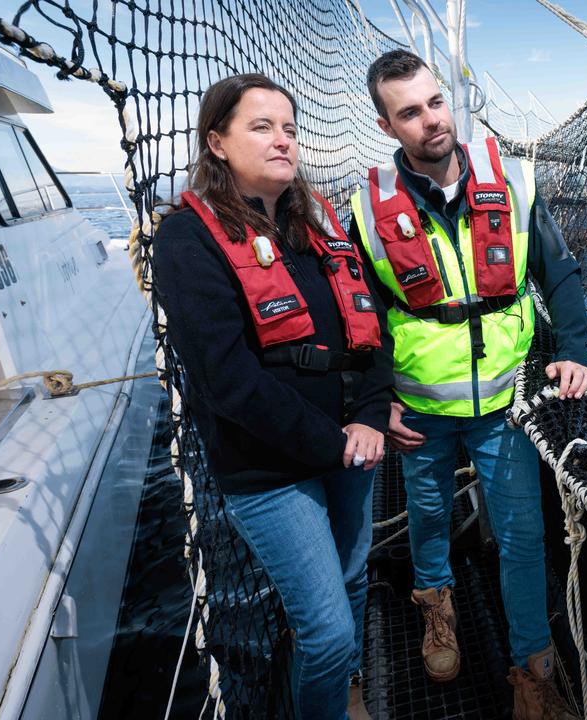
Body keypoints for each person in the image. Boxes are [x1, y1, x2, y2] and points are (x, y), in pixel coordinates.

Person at [350, 50, 587, 720]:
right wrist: (379, 404)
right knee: (428, 515)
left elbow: (561, 274)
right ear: (386, 124)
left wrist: (574, 352)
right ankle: (437, 611)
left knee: (523, 536)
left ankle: (533, 671)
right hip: (420, 409)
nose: (430, 120)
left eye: (435, 103)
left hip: (505, 403)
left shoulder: (512, 182)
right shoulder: (369, 207)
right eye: (410, 112)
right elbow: (362, 317)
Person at [150, 73, 392, 720]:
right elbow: (224, 377)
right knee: (326, 627)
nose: (283, 139)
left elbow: (370, 328)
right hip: (269, 469)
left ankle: (347, 687)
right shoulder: (185, 239)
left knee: (353, 580)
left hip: (351, 446)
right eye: (261, 126)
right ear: (217, 143)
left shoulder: (314, 226)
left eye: (288, 127)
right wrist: (335, 441)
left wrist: (370, 415)